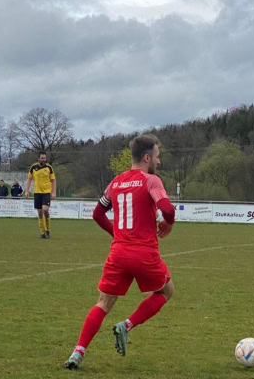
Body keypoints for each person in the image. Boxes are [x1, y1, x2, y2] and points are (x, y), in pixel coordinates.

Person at [64, 134, 176, 370]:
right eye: (157, 157)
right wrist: (168, 222)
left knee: (103, 302)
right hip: (144, 254)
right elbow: (167, 209)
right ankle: (126, 325)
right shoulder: (151, 181)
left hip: (118, 254)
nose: (159, 161)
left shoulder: (115, 183)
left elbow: (97, 214)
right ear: (147, 158)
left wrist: (116, 234)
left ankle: (77, 352)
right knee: (166, 291)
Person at [25, 151, 56, 239]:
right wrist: (26, 191)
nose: (43, 160)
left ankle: (47, 230)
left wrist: (54, 193)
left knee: (45, 209)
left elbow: (53, 180)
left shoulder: (49, 167)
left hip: (46, 192)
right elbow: (29, 179)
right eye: (42, 158)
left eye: (44, 158)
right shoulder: (33, 167)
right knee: (39, 213)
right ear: (38, 158)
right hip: (37, 193)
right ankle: (43, 233)